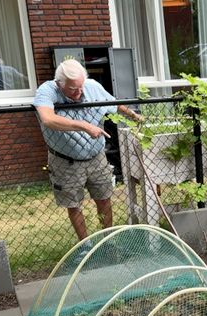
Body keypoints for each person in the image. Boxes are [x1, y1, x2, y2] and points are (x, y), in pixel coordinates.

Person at [33, 59, 143, 242]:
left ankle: (108, 241)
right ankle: (85, 245)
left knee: (104, 198)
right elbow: (47, 119)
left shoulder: (91, 85)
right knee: (74, 205)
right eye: (72, 89)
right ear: (59, 84)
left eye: (81, 87)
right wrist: (84, 126)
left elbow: (114, 104)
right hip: (65, 160)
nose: (79, 92)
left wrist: (134, 116)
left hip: (96, 157)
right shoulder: (47, 90)